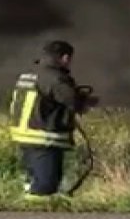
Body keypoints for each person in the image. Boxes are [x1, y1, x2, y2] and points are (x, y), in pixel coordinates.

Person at [9, 40, 94, 198]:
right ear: (65, 58)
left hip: (24, 137)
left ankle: (29, 209)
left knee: (32, 182)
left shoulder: (28, 73)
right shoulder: (55, 78)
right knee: (45, 187)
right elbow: (72, 101)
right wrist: (87, 101)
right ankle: (37, 216)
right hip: (44, 139)